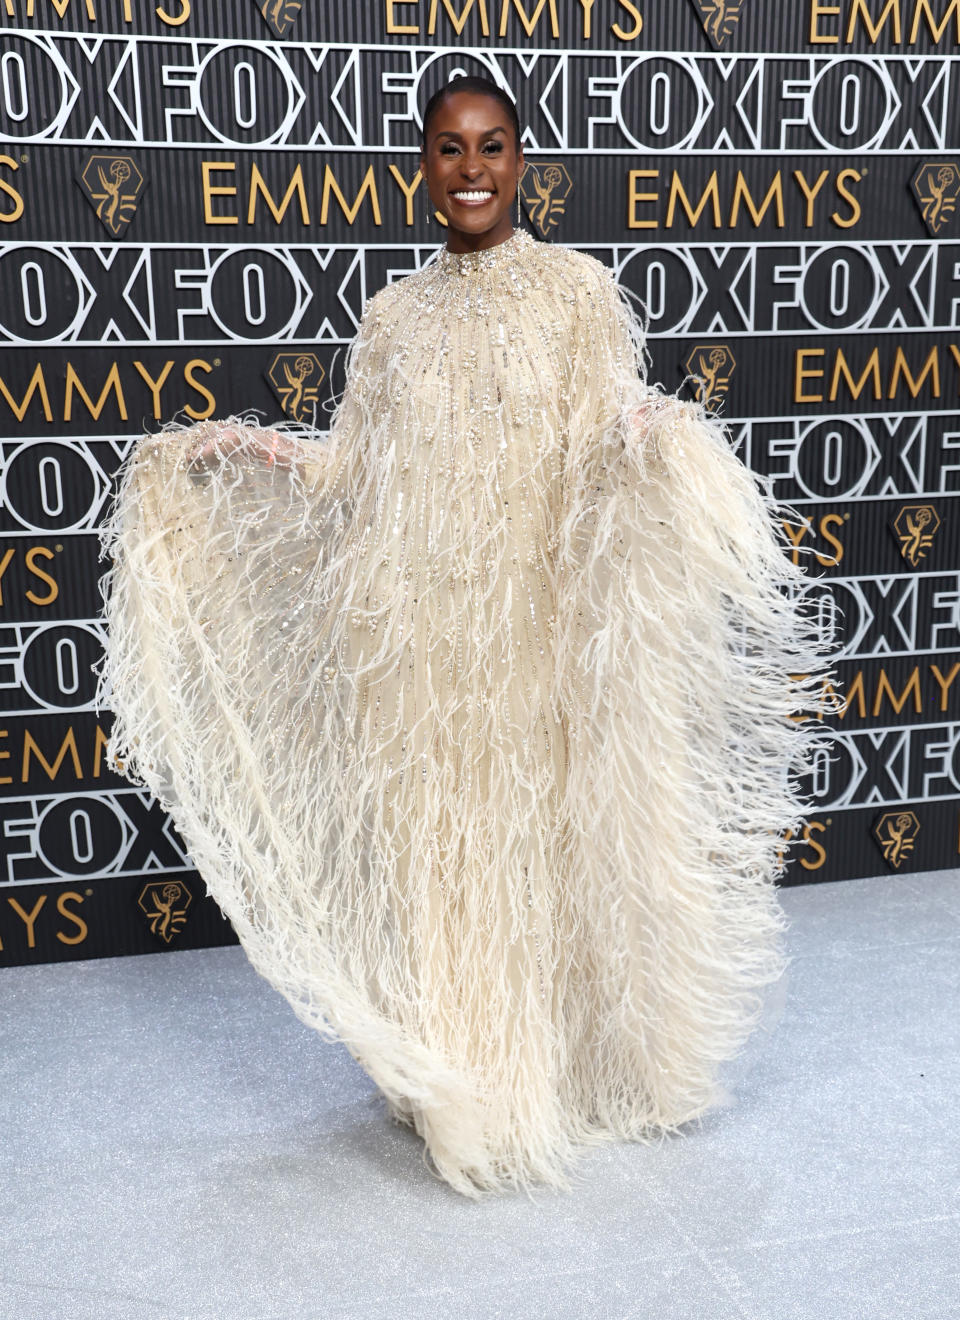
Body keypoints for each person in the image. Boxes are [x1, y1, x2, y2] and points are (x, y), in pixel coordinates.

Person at [97, 75, 841, 1201]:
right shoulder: (394, 319)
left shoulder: (579, 294)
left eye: (493, 146)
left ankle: (562, 1067)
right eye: (450, 149)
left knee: (544, 850)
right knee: (449, 862)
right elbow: (362, 472)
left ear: (524, 161)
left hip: (535, 635)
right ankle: (475, 1078)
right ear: (424, 168)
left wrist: (650, 435)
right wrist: (259, 458)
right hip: (427, 649)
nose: (473, 169)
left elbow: (599, 431)